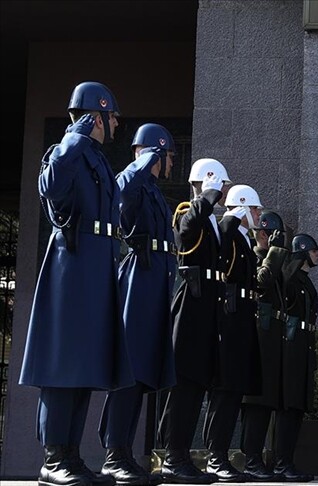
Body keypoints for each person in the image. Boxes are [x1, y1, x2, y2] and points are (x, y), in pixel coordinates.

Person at [19, 80, 130, 486]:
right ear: (95, 116)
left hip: (96, 269)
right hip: (71, 268)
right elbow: (50, 187)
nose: (116, 123)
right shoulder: (66, 153)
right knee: (64, 366)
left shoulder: (98, 160)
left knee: (86, 366)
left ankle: (73, 456)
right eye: (110, 116)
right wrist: (74, 136)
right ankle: (53, 458)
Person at [99, 123, 179, 484]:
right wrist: (144, 160)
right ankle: (114, 453)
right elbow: (118, 191)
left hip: (155, 281)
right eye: (167, 157)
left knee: (143, 371)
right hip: (137, 279)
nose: (170, 164)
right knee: (130, 369)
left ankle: (126, 453)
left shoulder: (155, 193)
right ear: (154, 153)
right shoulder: (133, 184)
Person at [159, 158, 231, 484]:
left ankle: (183, 455)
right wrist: (205, 197)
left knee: (196, 386)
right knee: (184, 387)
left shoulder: (211, 220)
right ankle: (173, 457)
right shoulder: (188, 210)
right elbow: (185, 232)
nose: (222, 193)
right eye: (219, 186)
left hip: (207, 313)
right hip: (189, 311)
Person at [242, 233, 318, 482]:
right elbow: (269, 283)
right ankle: (269, 461)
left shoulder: (303, 280)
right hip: (284, 344)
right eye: (314, 250)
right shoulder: (287, 276)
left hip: (300, 344)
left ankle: (283, 462)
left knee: (294, 406)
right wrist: (276, 253)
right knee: (277, 405)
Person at [200, 184, 265, 481]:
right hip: (228, 319)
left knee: (233, 391)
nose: (258, 214)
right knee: (224, 391)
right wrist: (231, 216)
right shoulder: (229, 232)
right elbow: (219, 247)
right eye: (254, 208)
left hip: (241, 320)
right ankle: (215, 457)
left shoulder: (244, 239)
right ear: (241, 206)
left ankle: (221, 454)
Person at [239, 210, 295, 481]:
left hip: (273, 338)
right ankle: (251, 460)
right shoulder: (254, 256)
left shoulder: (274, 259)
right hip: (258, 339)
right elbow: (261, 282)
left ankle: (261, 460)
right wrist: (273, 251)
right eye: (272, 235)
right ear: (263, 233)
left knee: (267, 402)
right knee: (257, 403)